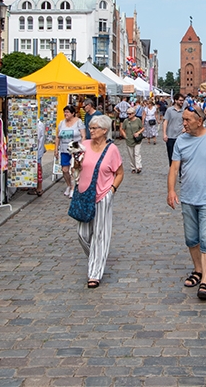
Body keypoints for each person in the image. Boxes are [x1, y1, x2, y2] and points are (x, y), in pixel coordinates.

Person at [167, 99, 206, 300]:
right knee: (191, 239)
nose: (183, 123)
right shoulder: (180, 140)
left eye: (187, 120)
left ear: (199, 120)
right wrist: (171, 190)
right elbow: (174, 168)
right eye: (183, 119)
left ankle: (205, 282)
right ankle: (198, 270)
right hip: (187, 197)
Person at [76, 115, 124, 288]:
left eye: (95, 127)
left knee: (100, 235)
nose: (91, 130)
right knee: (82, 234)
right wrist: (76, 160)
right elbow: (78, 168)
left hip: (103, 194)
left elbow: (119, 173)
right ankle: (96, 258)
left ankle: (94, 273)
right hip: (84, 194)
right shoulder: (85, 145)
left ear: (105, 130)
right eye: (90, 127)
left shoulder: (112, 150)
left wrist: (111, 191)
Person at [56, 105, 85, 198]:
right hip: (64, 149)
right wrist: (56, 149)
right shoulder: (61, 123)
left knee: (74, 169)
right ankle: (68, 185)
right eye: (65, 112)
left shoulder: (78, 122)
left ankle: (73, 188)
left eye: (68, 112)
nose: (65, 114)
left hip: (75, 150)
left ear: (73, 113)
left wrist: (82, 147)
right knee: (64, 170)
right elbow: (57, 136)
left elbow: (83, 135)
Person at [120, 105, 144, 174]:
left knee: (137, 153)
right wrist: (125, 136)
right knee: (131, 154)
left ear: (134, 114)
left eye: (130, 114)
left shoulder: (138, 120)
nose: (128, 115)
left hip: (137, 140)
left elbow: (142, 128)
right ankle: (133, 167)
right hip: (129, 140)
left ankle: (138, 167)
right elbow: (122, 129)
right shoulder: (126, 121)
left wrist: (138, 133)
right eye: (127, 114)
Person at [162, 94, 185, 163]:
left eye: (183, 100)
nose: (182, 102)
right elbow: (165, 122)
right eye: (180, 100)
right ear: (175, 100)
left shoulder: (184, 111)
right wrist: (164, 134)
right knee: (171, 156)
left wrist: (185, 129)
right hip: (170, 136)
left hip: (181, 137)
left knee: (181, 156)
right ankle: (172, 172)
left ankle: (181, 172)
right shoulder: (169, 110)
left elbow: (187, 122)